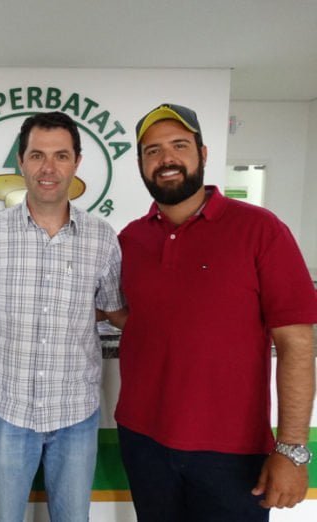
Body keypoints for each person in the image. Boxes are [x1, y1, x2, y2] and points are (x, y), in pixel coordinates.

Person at [116, 103, 317, 521]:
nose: (166, 159)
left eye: (179, 145)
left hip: (231, 452)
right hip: (142, 440)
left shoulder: (261, 229)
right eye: (152, 151)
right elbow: (142, 318)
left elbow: (296, 342)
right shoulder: (131, 239)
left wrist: (292, 449)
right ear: (140, 164)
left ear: (203, 154)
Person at [0, 111, 126, 521]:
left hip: (76, 414)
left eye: (61, 156)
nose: (48, 168)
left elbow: (113, 310)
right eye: (37, 155)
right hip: (6, 411)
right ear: (20, 161)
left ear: (77, 162)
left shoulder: (102, 237)